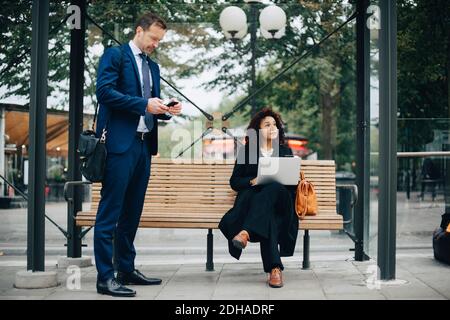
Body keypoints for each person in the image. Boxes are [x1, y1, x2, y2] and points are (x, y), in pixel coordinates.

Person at [94, 12, 182, 297]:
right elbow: (104, 93)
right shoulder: (115, 55)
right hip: (119, 145)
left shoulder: (153, 67)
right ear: (139, 31)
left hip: (144, 146)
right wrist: (144, 104)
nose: (155, 44)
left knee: (132, 213)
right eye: (153, 38)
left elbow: (150, 107)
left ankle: (126, 269)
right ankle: (105, 277)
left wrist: (166, 109)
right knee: (110, 213)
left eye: (160, 40)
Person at [219, 108, 299, 288]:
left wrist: (293, 178)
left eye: (275, 125)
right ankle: (275, 269)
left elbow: (292, 184)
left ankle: (245, 232)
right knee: (268, 215)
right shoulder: (247, 152)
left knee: (274, 186)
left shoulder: (285, 151)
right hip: (260, 206)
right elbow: (235, 182)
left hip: (282, 202)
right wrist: (253, 180)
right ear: (257, 130)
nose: (272, 128)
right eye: (267, 125)